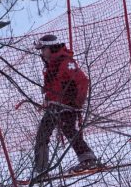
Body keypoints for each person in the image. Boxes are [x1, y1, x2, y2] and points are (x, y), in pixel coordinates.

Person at [33, 34, 100, 174]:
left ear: (51, 48)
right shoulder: (49, 66)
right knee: (42, 135)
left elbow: (83, 81)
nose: (42, 52)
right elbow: (54, 87)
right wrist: (46, 100)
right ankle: (40, 170)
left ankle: (89, 160)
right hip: (53, 106)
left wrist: (76, 103)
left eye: (43, 49)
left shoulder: (66, 62)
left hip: (67, 106)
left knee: (69, 130)